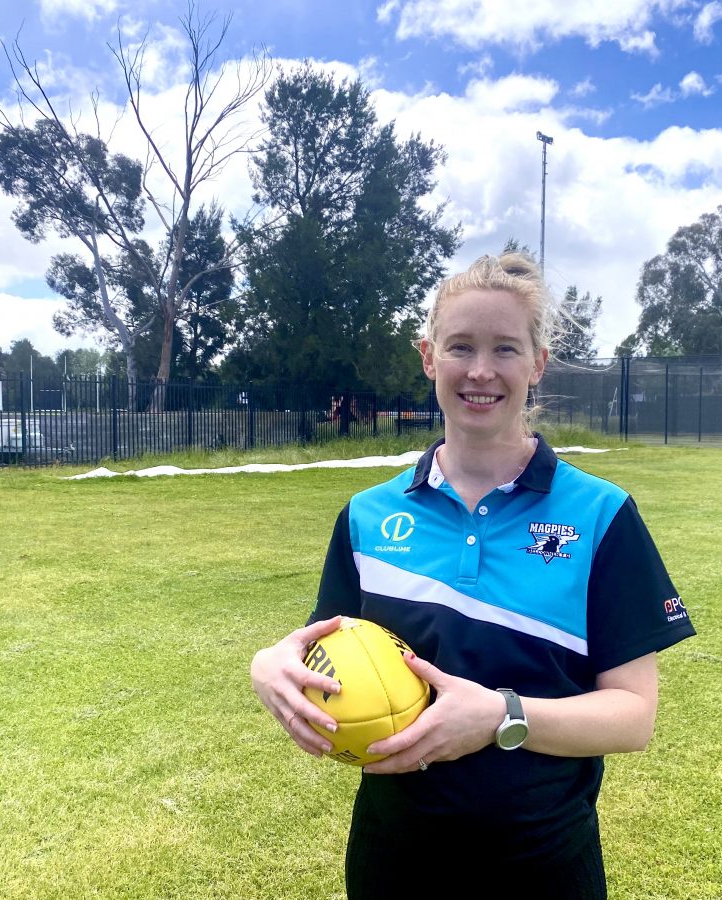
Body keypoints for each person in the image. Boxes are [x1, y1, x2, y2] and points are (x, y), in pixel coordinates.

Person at [250, 252, 695, 899]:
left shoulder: (601, 516)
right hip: (393, 861)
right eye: (461, 346)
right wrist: (266, 664)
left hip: (544, 867)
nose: (481, 370)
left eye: (505, 349)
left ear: (537, 364)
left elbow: (632, 717)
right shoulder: (367, 517)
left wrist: (499, 716)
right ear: (429, 356)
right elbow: (326, 652)